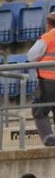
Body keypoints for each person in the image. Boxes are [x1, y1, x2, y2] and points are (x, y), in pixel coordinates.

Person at [28, 10, 55, 147]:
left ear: (49, 24)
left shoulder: (47, 37)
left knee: (39, 109)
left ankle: (49, 138)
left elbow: (32, 56)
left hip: (48, 81)